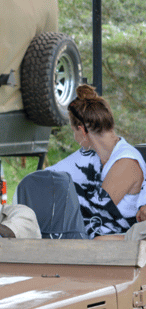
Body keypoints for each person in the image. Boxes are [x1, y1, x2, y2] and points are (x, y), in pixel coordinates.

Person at [46, 84, 146, 237]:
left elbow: (94, 214)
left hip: (122, 243)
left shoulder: (126, 163)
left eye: (74, 131)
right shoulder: (99, 158)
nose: (74, 138)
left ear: (82, 130)